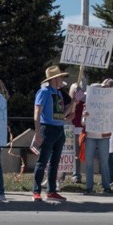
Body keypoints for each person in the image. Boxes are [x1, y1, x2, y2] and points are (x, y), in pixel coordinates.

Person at [32, 65, 70, 202]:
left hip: (59, 129)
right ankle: (36, 191)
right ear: (55, 79)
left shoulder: (58, 93)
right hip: (47, 129)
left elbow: (61, 115)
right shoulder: (44, 92)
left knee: (55, 163)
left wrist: (74, 103)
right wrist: (37, 132)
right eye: (60, 77)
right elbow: (37, 112)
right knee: (42, 161)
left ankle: (51, 190)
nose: (62, 79)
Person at [81, 81, 113, 196]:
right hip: (90, 135)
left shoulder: (109, 104)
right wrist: (84, 117)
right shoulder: (87, 105)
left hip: (104, 135)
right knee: (89, 162)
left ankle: (106, 186)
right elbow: (82, 123)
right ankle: (89, 187)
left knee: (104, 162)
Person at [68, 83, 86, 183]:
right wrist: (72, 103)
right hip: (68, 128)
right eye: (75, 90)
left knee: (76, 154)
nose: (77, 92)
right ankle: (61, 175)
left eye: (79, 91)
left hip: (79, 130)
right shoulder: (68, 102)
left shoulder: (83, 103)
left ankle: (76, 174)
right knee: (65, 153)